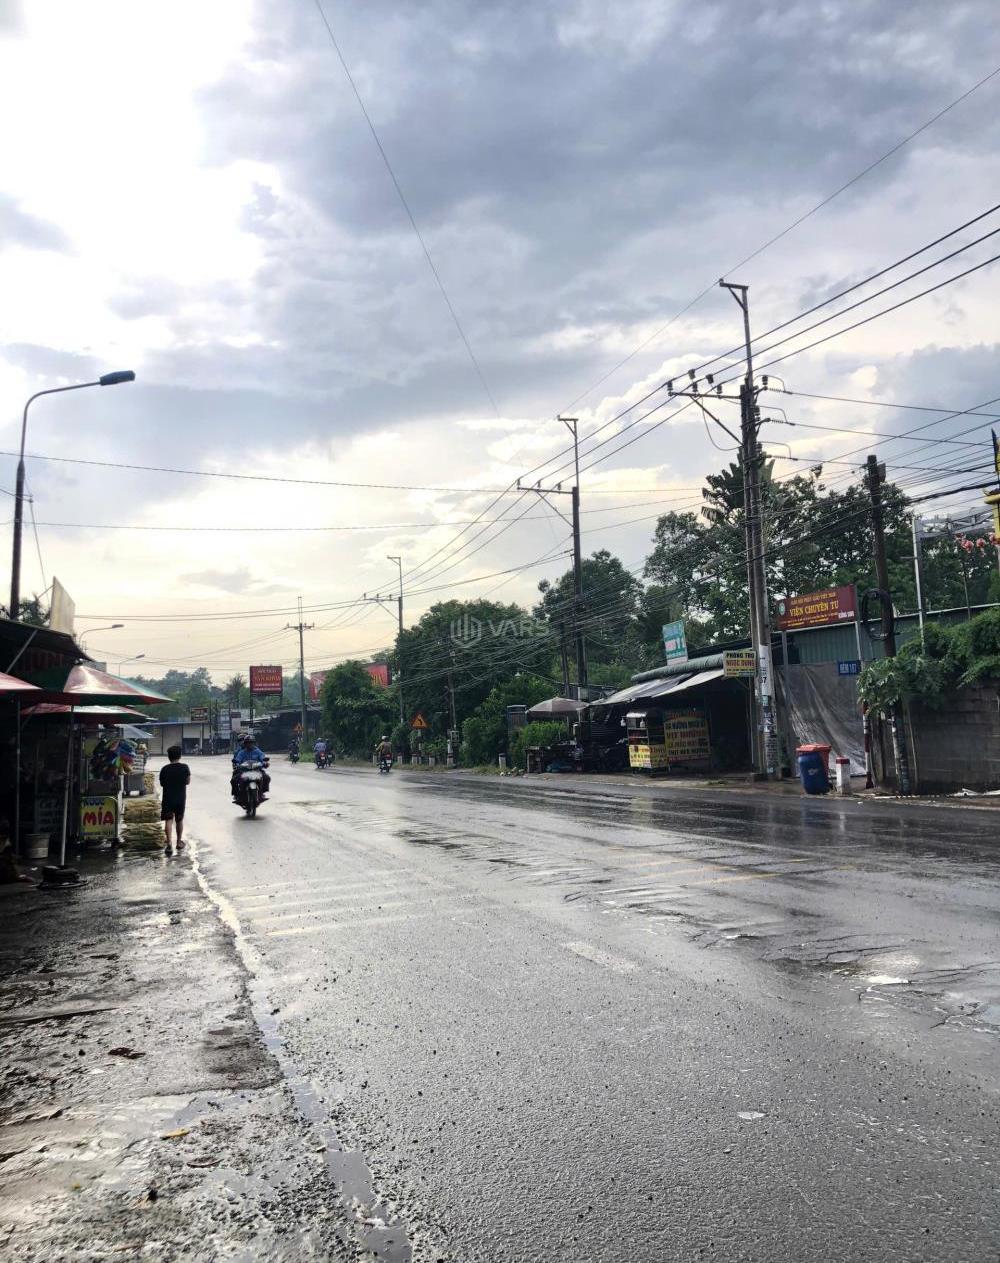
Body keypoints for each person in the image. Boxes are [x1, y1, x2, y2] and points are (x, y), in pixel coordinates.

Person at [159, 744, 191, 850]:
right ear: (180, 755)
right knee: (179, 820)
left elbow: (162, 784)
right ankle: (178, 842)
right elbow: (188, 781)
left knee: (168, 820)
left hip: (168, 798)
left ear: (169, 756)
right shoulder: (185, 767)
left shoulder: (164, 769)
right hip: (180, 799)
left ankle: (169, 844)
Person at [232, 735, 270, 799]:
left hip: (256, 769)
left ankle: (262, 792)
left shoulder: (258, 751)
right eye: (247, 743)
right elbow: (237, 760)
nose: (249, 744)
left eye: (251, 742)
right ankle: (237, 794)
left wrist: (265, 763)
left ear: (254, 743)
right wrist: (236, 764)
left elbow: (262, 758)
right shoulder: (241, 752)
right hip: (244, 770)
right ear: (245, 744)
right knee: (234, 780)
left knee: (267, 777)